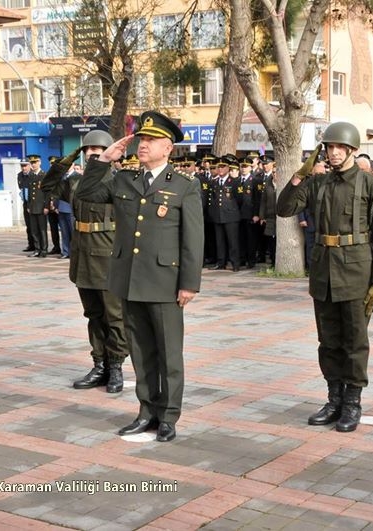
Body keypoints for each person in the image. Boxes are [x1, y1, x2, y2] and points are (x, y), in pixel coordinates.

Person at [75, 110, 204, 442]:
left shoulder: (185, 186)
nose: (142, 145)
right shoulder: (124, 179)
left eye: (150, 140)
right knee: (142, 354)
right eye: (141, 139)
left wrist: (189, 283)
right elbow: (86, 193)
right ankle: (146, 411)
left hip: (165, 284)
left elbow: (193, 238)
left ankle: (168, 417)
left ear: (168, 148)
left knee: (168, 355)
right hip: (129, 281)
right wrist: (104, 159)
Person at [276, 122, 373, 433]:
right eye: (329, 147)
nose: (333, 152)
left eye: (339, 147)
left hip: (357, 274)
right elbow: (284, 208)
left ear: (352, 150)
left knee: (354, 342)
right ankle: (333, 399)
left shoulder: (371, 185)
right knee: (328, 341)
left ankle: (352, 402)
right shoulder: (318, 184)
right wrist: (299, 175)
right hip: (324, 273)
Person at [41, 130, 130, 393]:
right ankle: (99, 364)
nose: (93, 153)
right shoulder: (75, 183)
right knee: (93, 315)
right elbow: (48, 185)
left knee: (114, 318)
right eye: (88, 149)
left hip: (109, 258)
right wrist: (70, 157)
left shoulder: (120, 182)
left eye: (98, 149)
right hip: (83, 259)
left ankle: (116, 367)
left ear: (109, 154)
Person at [209, 155, 242, 271]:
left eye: (223, 167)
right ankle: (221, 262)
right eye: (218, 167)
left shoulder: (234, 182)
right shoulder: (214, 182)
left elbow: (239, 199)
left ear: (228, 168)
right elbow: (213, 199)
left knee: (233, 241)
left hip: (231, 215)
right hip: (218, 215)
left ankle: (235, 263)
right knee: (220, 241)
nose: (220, 169)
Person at [25, 154, 49, 257]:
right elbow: (30, 193)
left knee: (42, 230)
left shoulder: (44, 175)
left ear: (40, 162)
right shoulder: (30, 176)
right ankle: (37, 248)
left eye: (35, 162)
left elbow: (48, 192)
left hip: (41, 206)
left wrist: (46, 206)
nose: (33, 165)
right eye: (32, 163)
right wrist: (29, 206)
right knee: (34, 230)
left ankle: (44, 249)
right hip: (33, 206)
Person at [17, 160, 35, 252]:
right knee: (28, 226)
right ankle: (31, 244)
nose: (24, 168)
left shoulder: (33, 175)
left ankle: (37, 245)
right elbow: (20, 187)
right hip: (25, 203)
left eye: (25, 166)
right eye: (22, 166)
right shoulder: (20, 175)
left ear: (29, 166)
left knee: (35, 225)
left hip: (33, 203)